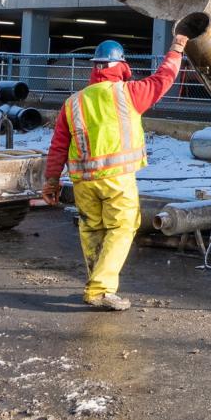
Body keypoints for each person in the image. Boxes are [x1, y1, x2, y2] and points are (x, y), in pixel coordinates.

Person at [39, 33, 188, 310]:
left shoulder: (73, 102)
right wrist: (177, 48)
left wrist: (51, 181)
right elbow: (163, 78)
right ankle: (99, 290)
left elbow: (59, 144)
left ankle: (96, 282)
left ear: (95, 67)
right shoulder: (128, 93)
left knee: (92, 229)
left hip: (83, 182)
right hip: (116, 179)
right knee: (122, 227)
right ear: (122, 65)